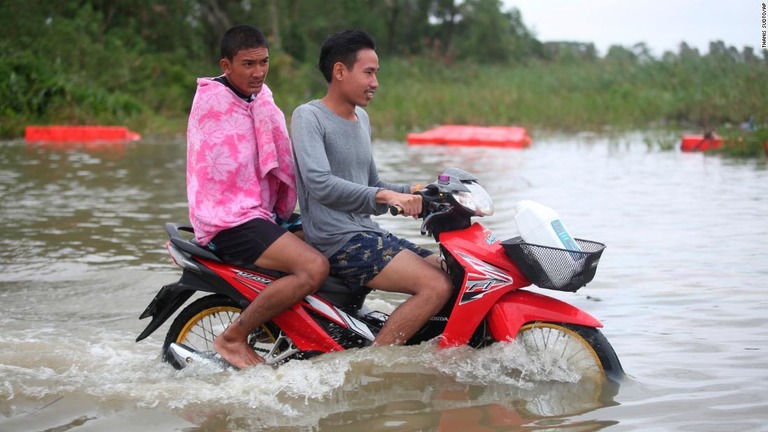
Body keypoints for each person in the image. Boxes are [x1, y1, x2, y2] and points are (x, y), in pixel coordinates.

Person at [290, 30, 452, 346]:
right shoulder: (309, 117)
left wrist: (419, 191)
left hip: (367, 233)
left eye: (376, 73)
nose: (375, 82)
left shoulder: (361, 118)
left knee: (450, 272)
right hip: (338, 241)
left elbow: (372, 186)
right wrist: (384, 196)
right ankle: (377, 364)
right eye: (368, 72)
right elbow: (320, 184)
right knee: (436, 286)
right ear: (339, 71)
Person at [186, 24, 329, 369]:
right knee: (313, 267)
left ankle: (284, 325)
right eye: (248, 64)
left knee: (328, 234)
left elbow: (279, 154)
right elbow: (219, 174)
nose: (258, 72)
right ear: (226, 65)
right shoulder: (213, 105)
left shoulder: (259, 97)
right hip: (227, 218)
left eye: (263, 62)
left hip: (258, 213)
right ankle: (232, 338)